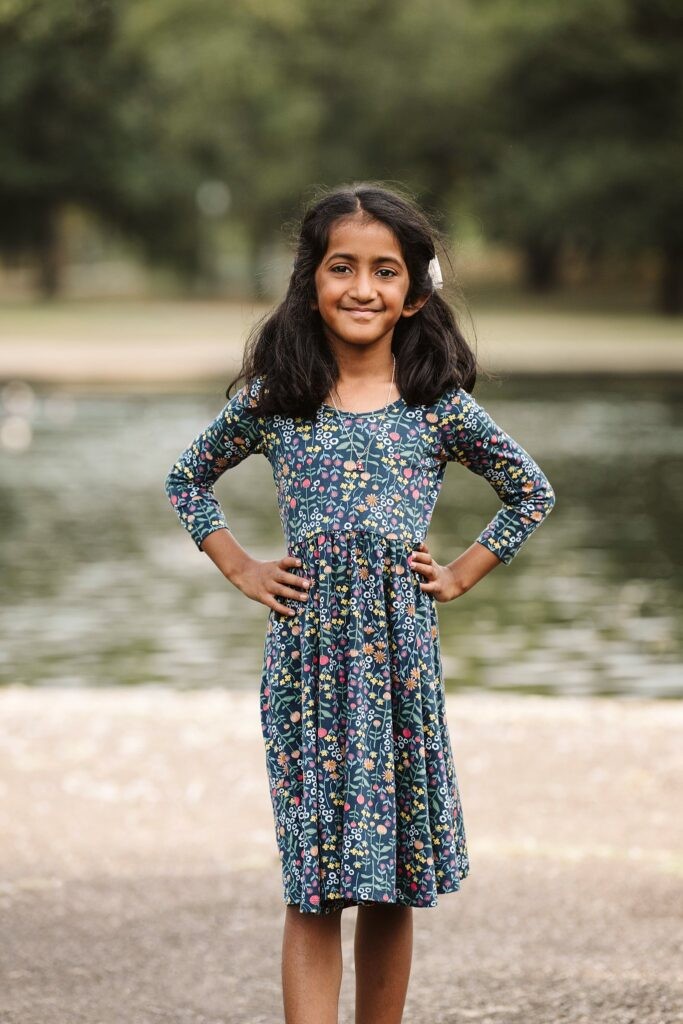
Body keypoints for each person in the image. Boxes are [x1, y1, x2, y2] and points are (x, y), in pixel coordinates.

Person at [164, 182, 556, 1024]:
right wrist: (239, 567)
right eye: (342, 267)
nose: (362, 287)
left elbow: (530, 492)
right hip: (306, 668)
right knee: (314, 885)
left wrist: (457, 574)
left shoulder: (437, 407)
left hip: (398, 669)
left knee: (390, 884)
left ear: (415, 290)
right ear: (311, 279)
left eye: (385, 271)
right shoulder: (278, 399)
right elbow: (185, 478)